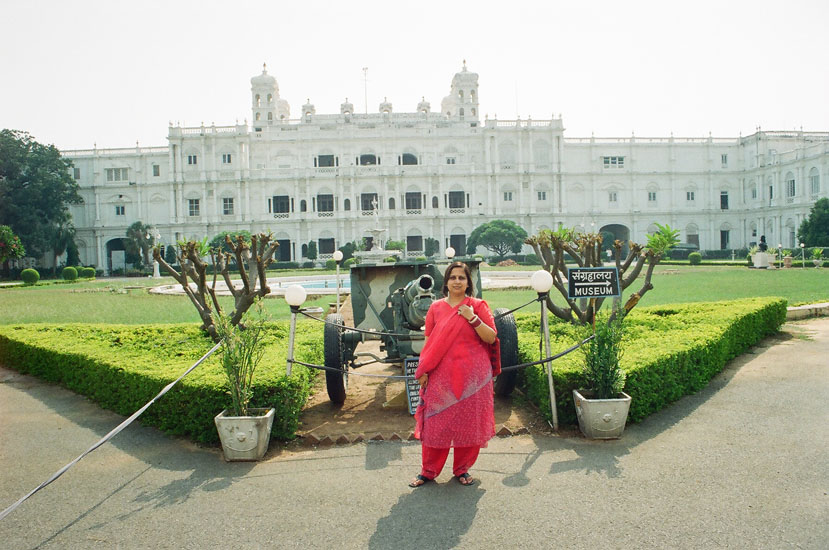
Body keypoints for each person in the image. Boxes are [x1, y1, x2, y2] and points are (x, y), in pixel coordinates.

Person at [408, 261, 499, 488]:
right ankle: (428, 471)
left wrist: (472, 317)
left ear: (468, 283)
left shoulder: (477, 306)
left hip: (473, 377)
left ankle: (462, 469)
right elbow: (429, 343)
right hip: (441, 374)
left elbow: (490, 337)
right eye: (453, 277)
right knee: (435, 422)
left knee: (468, 423)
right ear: (446, 282)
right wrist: (424, 369)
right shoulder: (436, 308)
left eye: (462, 277)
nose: (457, 281)